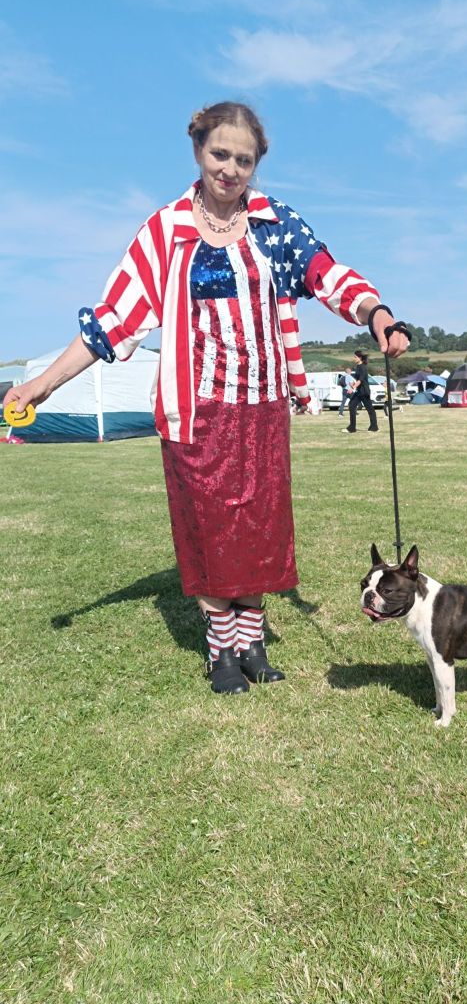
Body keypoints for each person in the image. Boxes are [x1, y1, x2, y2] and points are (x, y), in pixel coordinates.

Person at [4, 101, 410, 694]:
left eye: (243, 160)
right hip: (197, 408)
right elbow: (115, 321)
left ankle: (252, 637)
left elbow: (328, 274)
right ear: (198, 150)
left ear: (256, 165)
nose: (230, 169)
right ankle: (222, 648)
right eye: (220, 154)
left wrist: (376, 313)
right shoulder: (165, 231)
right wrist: (40, 385)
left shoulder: (276, 224)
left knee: (259, 527)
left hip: (265, 404)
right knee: (212, 528)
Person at [344, 349, 379, 433]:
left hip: (364, 391)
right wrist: (353, 384)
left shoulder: (363, 367)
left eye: (355, 357)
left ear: (360, 358)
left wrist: (352, 388)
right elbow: (358, 380)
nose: (354, 358)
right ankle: (352, 428)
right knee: (352, 405)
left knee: (369, 409)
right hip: (360, 391)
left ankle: (374, 427)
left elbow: (361, 380)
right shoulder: (358, 367)